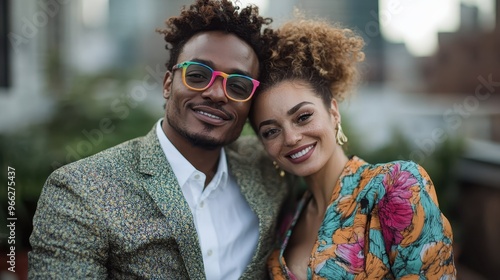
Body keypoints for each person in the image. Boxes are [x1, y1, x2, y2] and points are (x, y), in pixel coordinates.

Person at [28, 1, 289, 279]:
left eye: (238, 85)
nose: (216, 93)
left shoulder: (269, 166)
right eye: (198, 75)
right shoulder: (81, 190)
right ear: (167, 84)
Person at [249, 17, 457, 279]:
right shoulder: (286, 218)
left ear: (333, 112)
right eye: (271, 131)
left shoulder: (397, 185)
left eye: (303, 117)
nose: (290, 138)